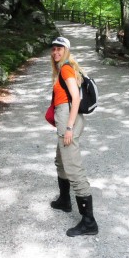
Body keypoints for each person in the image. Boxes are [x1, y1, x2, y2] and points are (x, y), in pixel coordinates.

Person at [48, 36, 98, 236]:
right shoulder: (63, 68)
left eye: (60, 49)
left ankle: (89, 222)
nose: (56, 52)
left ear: (67, 50)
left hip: (68, 119)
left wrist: (68, 127)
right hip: (65, 117)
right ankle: (64, 200)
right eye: (54, 49)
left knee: (73, 168)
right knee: (61, 161)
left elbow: (75, 98)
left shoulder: (67, 68)